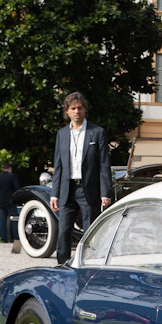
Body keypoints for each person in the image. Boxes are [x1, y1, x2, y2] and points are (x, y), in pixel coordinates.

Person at [50, 92, 113, 264]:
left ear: (84, 110)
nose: (76, 111)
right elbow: (59, 166)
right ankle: (62, 264)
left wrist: (105, 193)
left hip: (89, 190)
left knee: (89, 230)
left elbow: (104, 165)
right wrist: (54, 194)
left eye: (80, 108)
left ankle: (87, 263)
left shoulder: (97, 132)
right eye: (73, 108)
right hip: (66, 189)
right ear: (67, 111)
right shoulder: (61, 134)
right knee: (63, 230)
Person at [0, 162, 20, 243]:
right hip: (10, 201)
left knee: (2, 220)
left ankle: (4, 238)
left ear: (2, 168)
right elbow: (17, 189)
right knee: (14, 219)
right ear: (10, 169)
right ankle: (16, 237)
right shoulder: (12, 177)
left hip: (0, 201)